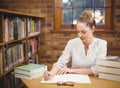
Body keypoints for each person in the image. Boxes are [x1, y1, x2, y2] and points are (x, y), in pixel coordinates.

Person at [43, 11, 107, 80]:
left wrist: (71, 70)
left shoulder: (102, 44)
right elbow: (61, 63)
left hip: (94, 81)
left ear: (93, 29)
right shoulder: (72, 43)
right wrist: (51, 73)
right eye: (78, 32)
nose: (80, 35)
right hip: (75, 81)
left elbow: (97, 69)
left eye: (83, 32)